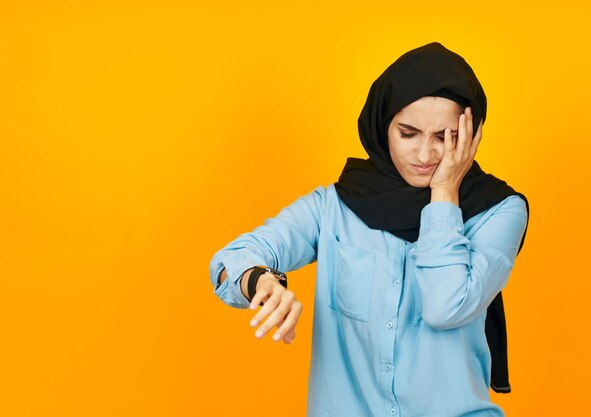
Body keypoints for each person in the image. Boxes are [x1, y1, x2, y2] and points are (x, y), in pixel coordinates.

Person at [209, 42, 529, 417]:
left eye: (444, 137)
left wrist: (444, 193)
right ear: (382, 127)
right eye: (408, 134)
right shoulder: (334, 207)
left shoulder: (499, 211)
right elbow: (230, 260)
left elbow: (446, 307)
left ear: (470, 134)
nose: (425, 155)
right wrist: (261, 282)